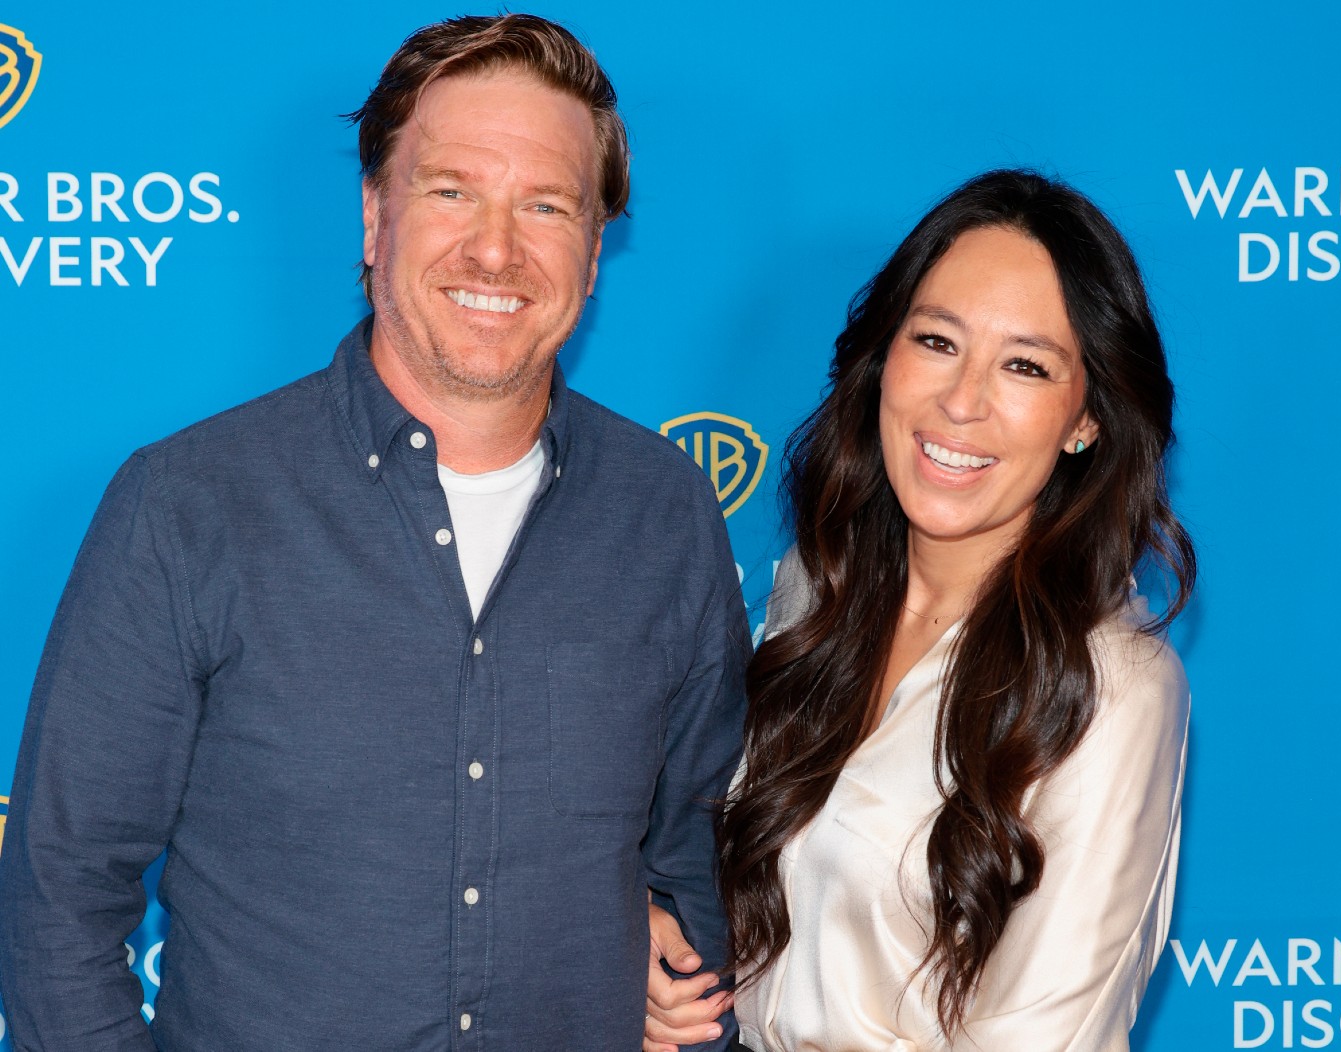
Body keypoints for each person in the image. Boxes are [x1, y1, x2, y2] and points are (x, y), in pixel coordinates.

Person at [0, 14, 746, 1051]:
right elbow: (59, 894)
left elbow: (694, 851)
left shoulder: (665, 511)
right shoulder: (187, 505)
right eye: (451, 191)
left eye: (545, 204)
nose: (497, 247)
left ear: (591, 251)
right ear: (372, 217)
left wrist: (683, 984)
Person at [644, 169, 1195, 1052]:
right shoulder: (809, 595)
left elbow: (1044, 1038)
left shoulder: (1115, 687)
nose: (963, 401)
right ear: (883, 361)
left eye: (1025, 365)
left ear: (1084, 421)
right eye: (938, 341)